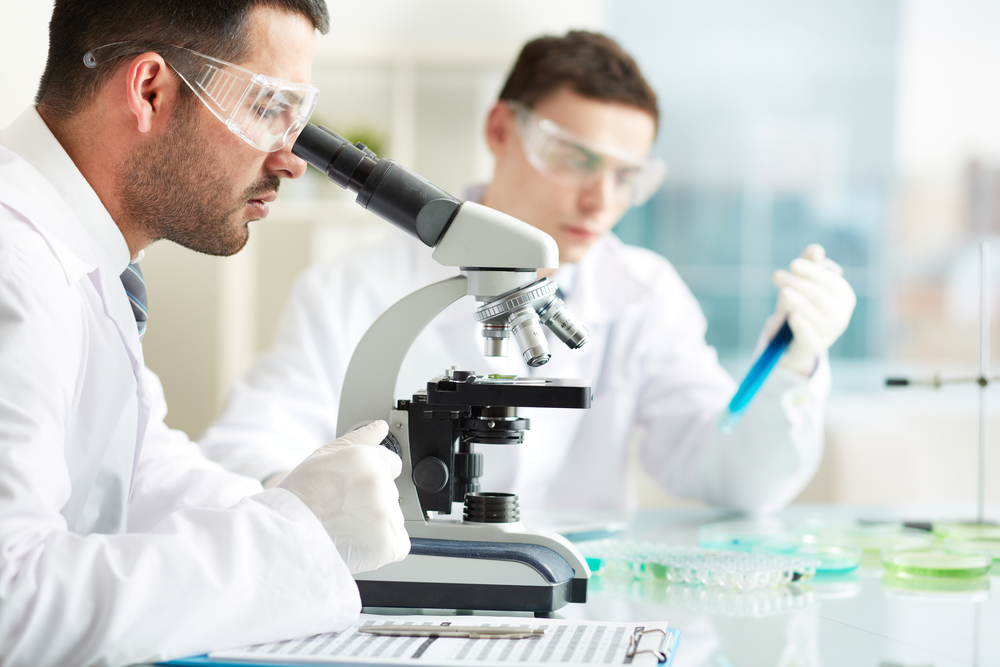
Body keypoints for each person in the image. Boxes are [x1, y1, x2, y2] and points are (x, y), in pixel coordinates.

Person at [200, 31, 856, 516]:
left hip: (584, 600)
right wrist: (339, 510)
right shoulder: (351, 288)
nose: (601, 200)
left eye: (627, 176)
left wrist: (793, 367)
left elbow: (735, 477)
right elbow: (247, 451)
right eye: (575, 158)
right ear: (499, 129)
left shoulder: (646, 293)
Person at [0, 1, 410, 665]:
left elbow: (142, 474)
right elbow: (11, 604)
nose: (292, 159)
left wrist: (314, 513)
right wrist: (295, 535)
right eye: (267, 107)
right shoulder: (13, 268)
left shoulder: (78, 259)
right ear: (151, 90)